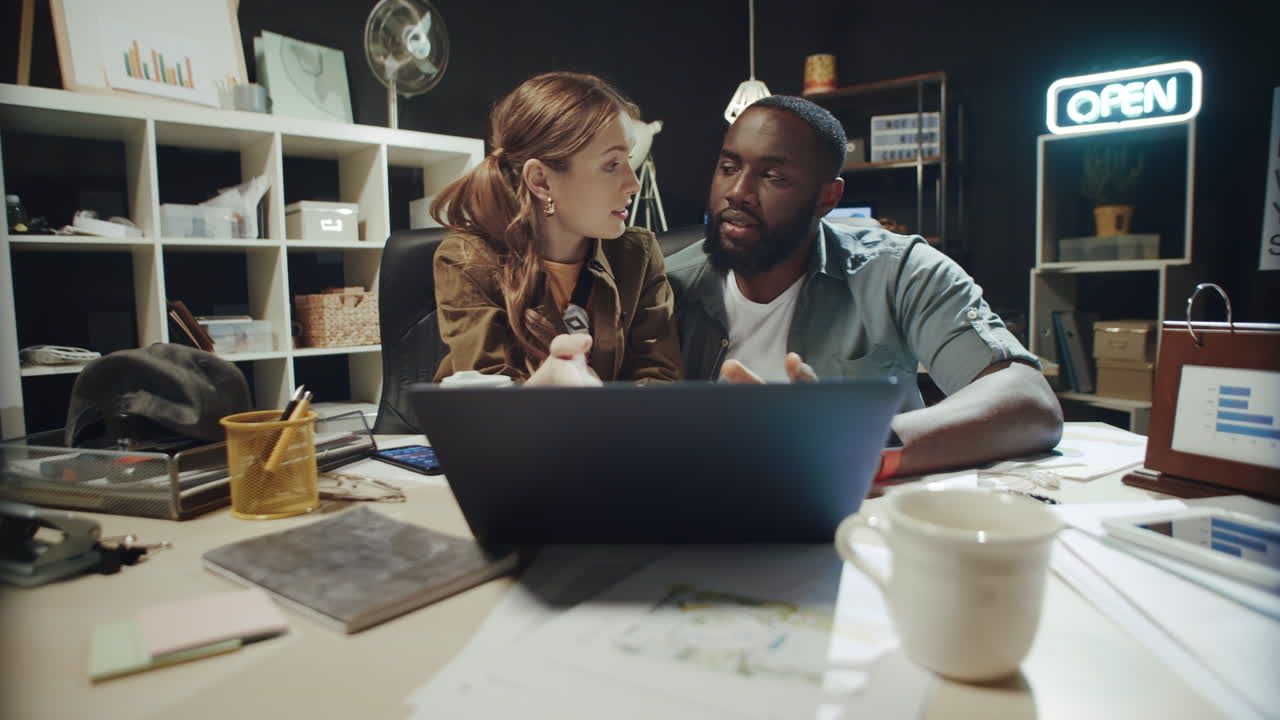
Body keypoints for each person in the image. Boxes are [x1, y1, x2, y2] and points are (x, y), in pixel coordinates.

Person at [666, 95, 1062, 477]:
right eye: (729, 168)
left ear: (827, 198)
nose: (737, 192)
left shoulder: (898, 271)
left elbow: (1030, 400)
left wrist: (863, 444)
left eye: (773, 176)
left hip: (863, 518)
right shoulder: (667, 285)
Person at [430, 72, 682, 386]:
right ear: (541, 180)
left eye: (629, 160)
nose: (633, 183)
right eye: (612, 164)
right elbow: (488, 402)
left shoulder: (637, 255)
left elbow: (660, 376)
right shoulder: (467, 259)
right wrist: (546, 386)